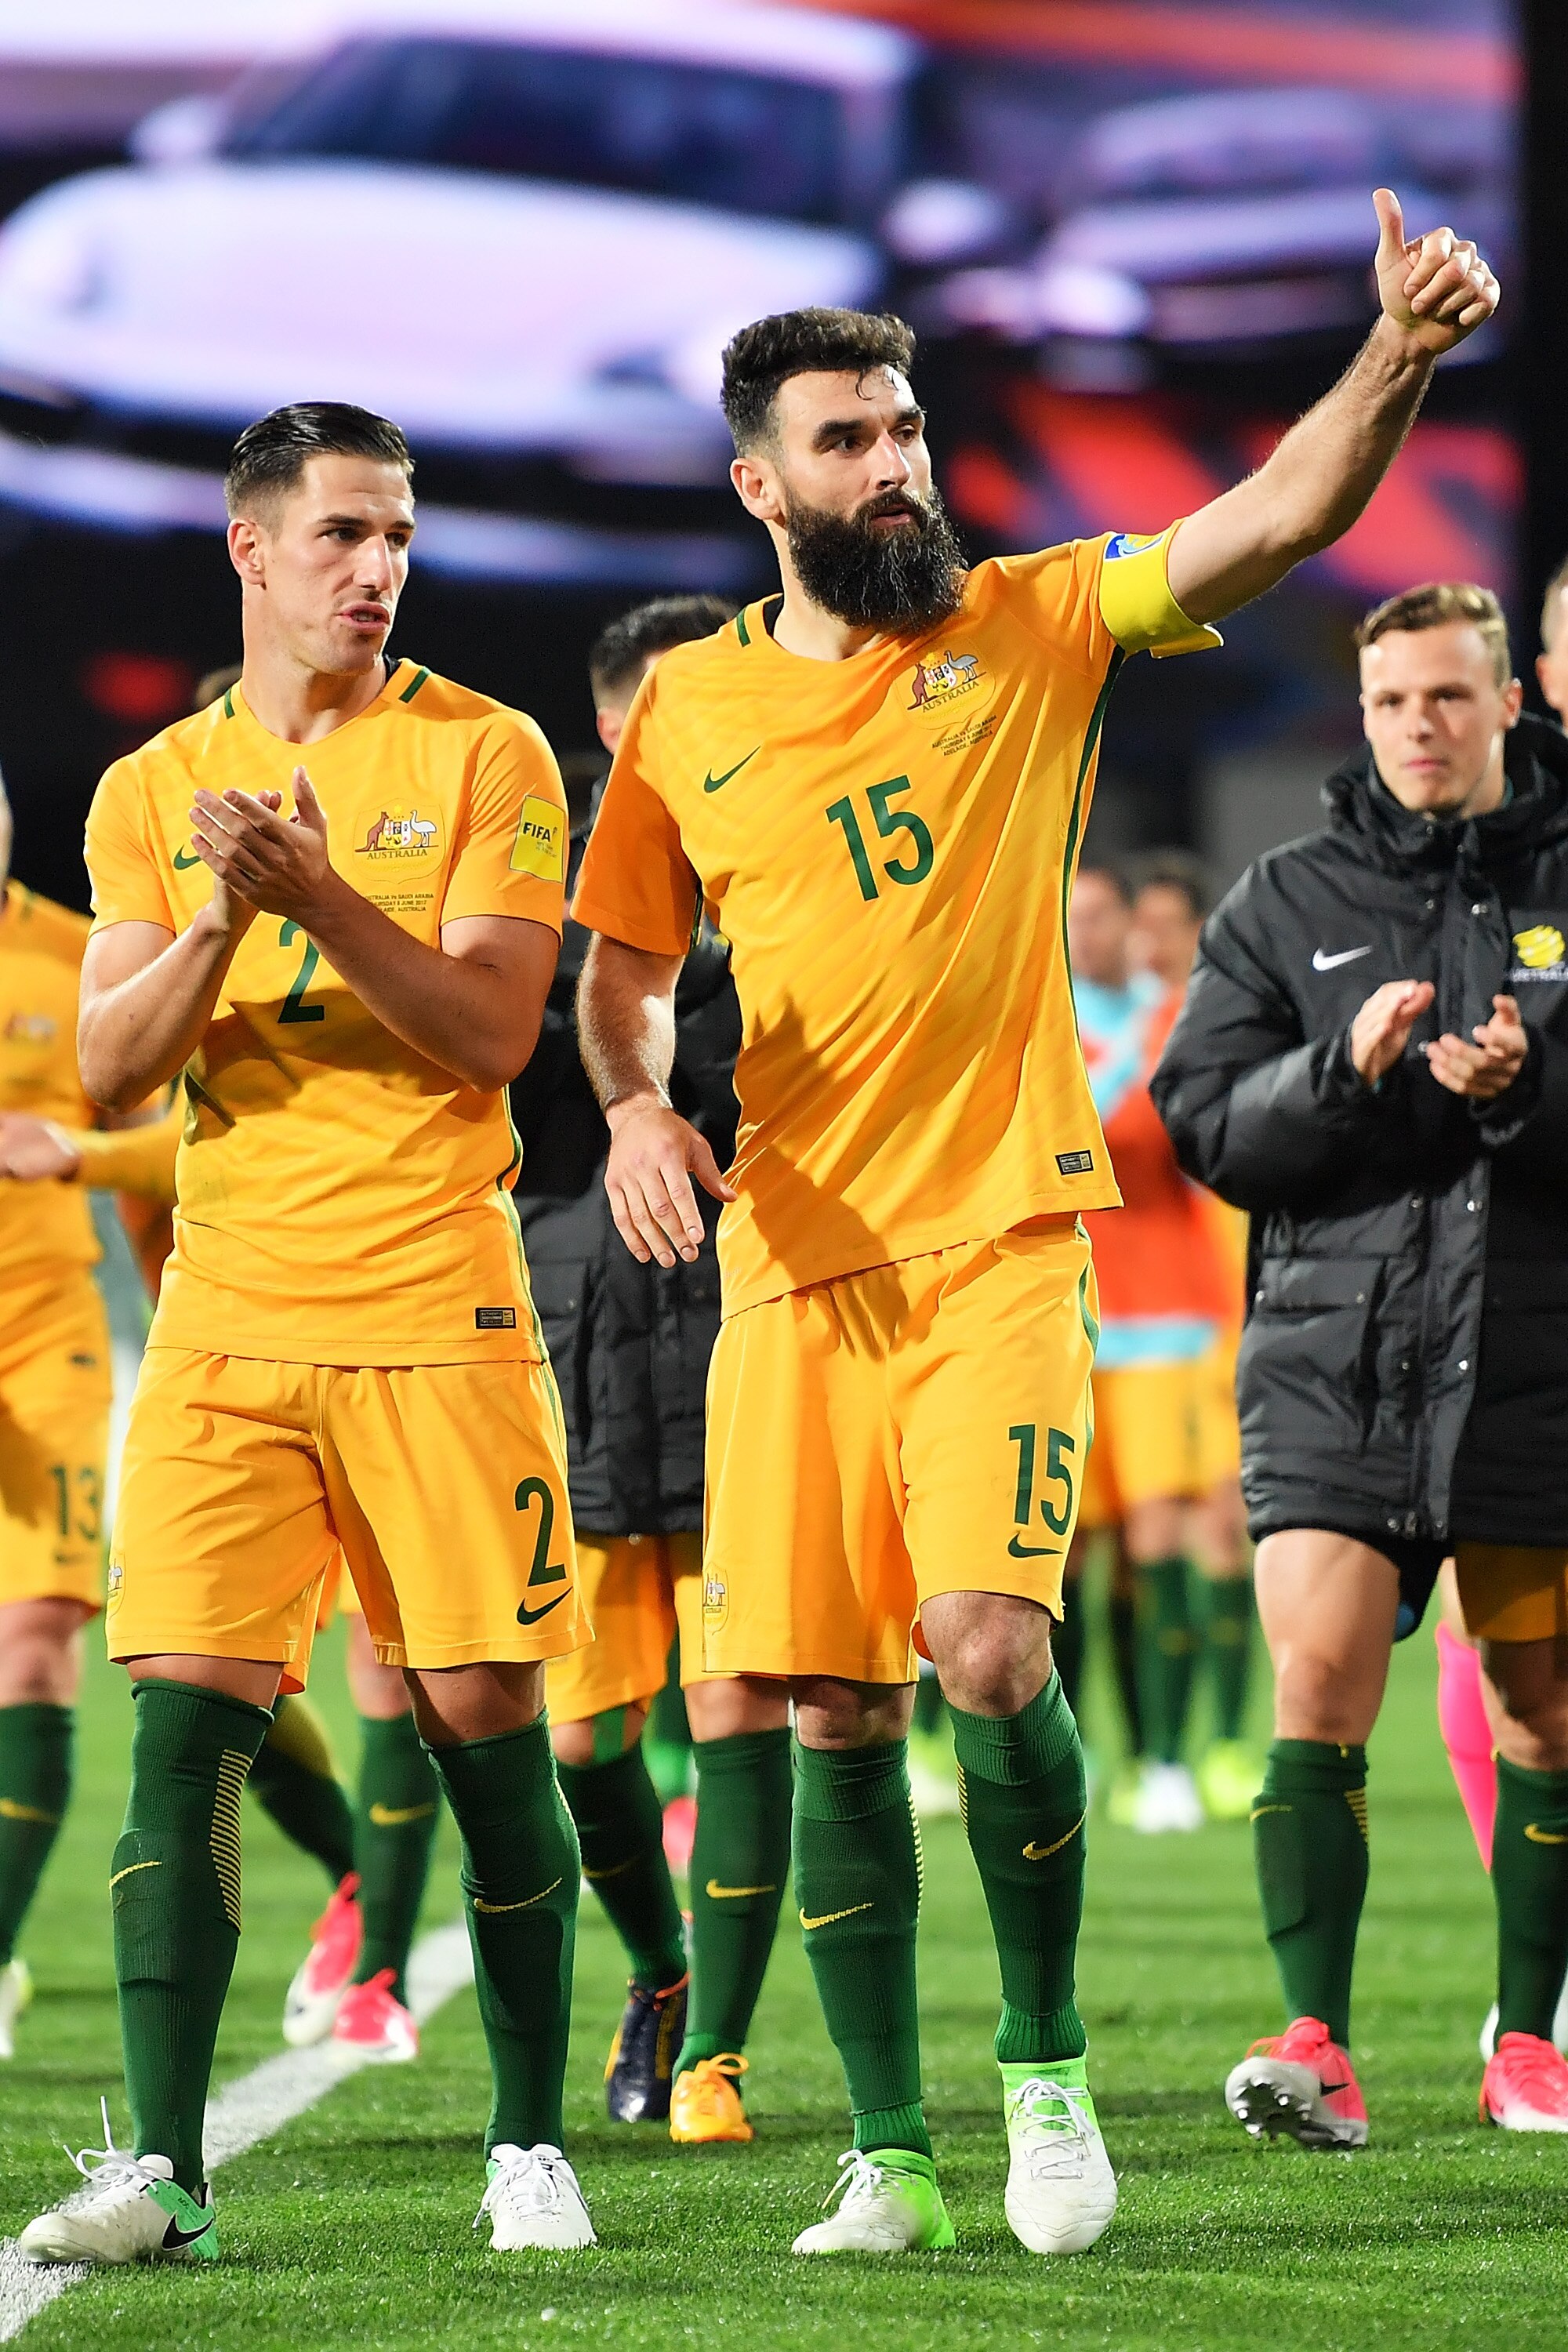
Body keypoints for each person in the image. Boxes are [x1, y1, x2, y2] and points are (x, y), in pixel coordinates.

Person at [572, 192, 1501, 2254]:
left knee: (987, 1648)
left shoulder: (1029, 618)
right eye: (847, 439)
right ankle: (887, 2149)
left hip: (999, 1235)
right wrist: (636, 1099)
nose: (895, 462)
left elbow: (1269, 520)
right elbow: (619, 963)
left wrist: (1399, 355)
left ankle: (1046, 2073)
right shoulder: (694, 718)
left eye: (904, 427)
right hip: (787, 1270)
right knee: (824, 1708)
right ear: (761, 484)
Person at [17, 401, 596, 2268]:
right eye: (343, 533)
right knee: (181, 1720)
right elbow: (113, 1060)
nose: (377, 568)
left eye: (398, 535)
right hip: (226, 1318)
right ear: (251, 548)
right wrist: (220, 913)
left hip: (438, 1303)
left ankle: (526, 2135)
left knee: (485, 1717)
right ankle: (168, 2167)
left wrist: (318, 890)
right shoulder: (145, 787)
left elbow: (495, 1033)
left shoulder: (491, 750)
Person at [1152, 579, 1568, 2146]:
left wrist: (1532, 1091)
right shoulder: (1286, 896)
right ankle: (1314, 2043)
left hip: (1532, 1356)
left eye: (1449, 697)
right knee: (1315, 1690)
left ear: (1505, 704)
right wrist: (1337, 1071)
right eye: (1392, 700)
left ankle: (1526, 2041)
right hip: (1336, 1364)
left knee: (1537, 1711)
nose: (1418, 727)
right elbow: (1201, 1119)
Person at [513, 593, 793, 2143]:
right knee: (580, 1732)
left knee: (742, 1696)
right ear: (617, 733)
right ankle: (663, 1970)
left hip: (752, 1318)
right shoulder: (540, 906)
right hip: (572, 1338)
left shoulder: (793, 882)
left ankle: (718, 2056)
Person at [0, 781, 180, 2060]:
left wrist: (77, 1149)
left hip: (40, 1336)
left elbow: (180, 1142)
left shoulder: (74, 954)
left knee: (35, 1642)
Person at [1065, 862, 1234, 1836]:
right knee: (1066, 1552)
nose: (1084, 931)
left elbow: (1191, 1143)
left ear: (1129, 924)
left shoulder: (1174, 1019)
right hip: (1064, 1321)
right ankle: (1075, 1752)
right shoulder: (1034, 1015)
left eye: (1100, 915)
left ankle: (1163, 1760)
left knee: (1159, 1537)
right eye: (1071, 915)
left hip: (1166, 1321)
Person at [1129, 853, 1258, 1820]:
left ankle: (1217, 1747)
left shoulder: (1217, 1023)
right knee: (1156, 1533)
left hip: (1230, 1312)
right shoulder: (1130, 1033)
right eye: (1144, 925)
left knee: (1224, 1526)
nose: (1150, 942)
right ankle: (1166, 1754)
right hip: (1157, 1321)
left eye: (1166, 924)